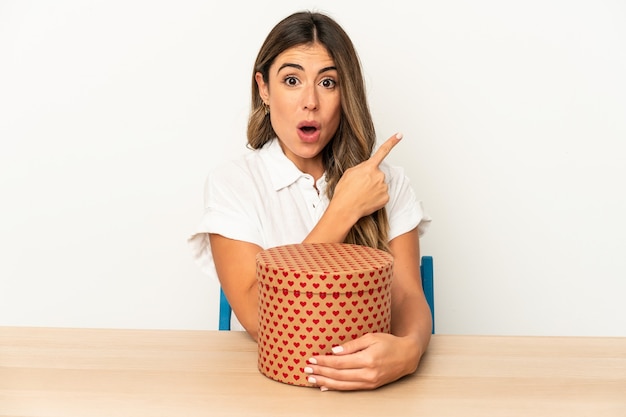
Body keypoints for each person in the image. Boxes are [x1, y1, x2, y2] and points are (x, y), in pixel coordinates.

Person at [189, 10, 432, 391]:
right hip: (271, 389)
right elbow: (258, 315)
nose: (311, 102)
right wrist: (345, 209)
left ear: (345, 92)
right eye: (291, 80)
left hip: (375, 392)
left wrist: (410, 351)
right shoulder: (233, 184)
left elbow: (405, 296)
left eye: (328, 83)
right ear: (264, 89)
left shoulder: (389, 182)